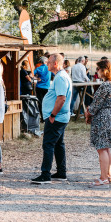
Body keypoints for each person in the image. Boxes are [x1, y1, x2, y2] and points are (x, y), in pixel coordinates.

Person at [31, 54, 72, 184]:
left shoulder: (60, 78)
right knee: (59, 144)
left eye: (48, 62)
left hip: (57, 117)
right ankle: (61, 172)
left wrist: (53, 115)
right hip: (59, 116)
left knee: (48, 144)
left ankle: (45, 174)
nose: (46, 64)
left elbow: (61, 98)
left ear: (55, 64)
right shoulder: (60, 76)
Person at [85, 60, 111, 188]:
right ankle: (108, 175)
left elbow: (96, 105)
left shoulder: (105, 86)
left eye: (98, 69)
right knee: (106, 148)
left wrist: (88, 113)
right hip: (108, 116)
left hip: (102, 117)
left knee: (101, 148)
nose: (96, 71)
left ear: (105, 70)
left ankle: (103, 178)